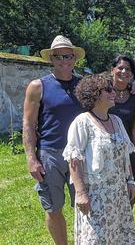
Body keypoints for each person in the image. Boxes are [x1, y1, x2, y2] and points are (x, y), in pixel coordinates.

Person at [23, 35, 85, 245]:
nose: (64, 60)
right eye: (58, 56)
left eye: (68, 56)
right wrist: (31, 159)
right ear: (51, 59)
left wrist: (131, 89)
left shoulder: (83, 86)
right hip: (50, 155)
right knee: (53, 207)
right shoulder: (38, 86)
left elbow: (111, 95)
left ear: (74, 58)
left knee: (86, 203)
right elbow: (28, 124)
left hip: (80, 153)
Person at [63, 74, 135, 244]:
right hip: (95, 196)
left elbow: (126, 154)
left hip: (118, 194)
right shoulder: (82, 122)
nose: (114, 92)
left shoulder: (117, 121)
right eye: (108, 90)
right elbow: (74, 159)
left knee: (119, 237)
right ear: (94, 94)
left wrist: (131, 181)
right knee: (95, 238)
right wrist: (80, 193)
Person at [108, 55, 135, 193]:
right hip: (106, 151)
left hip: (127, 150)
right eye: (120, 68)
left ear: (132, 74)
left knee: (130, 194)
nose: (124, 72)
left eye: (128, 69)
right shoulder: (102, 93)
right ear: (112, 70)